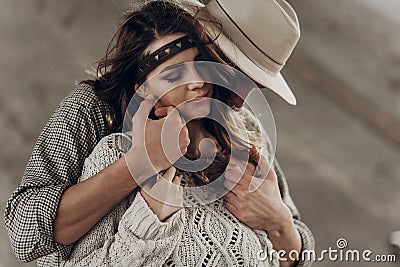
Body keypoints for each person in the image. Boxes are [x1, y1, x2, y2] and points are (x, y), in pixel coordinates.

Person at [3, 0, 314, 266]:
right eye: (237, 73)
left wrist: (280, 223)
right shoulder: (96, 112)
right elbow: (25, 235)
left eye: (258, 84)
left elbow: (298, 249)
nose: (244, 96)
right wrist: (143, 161)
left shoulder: (240, 125)